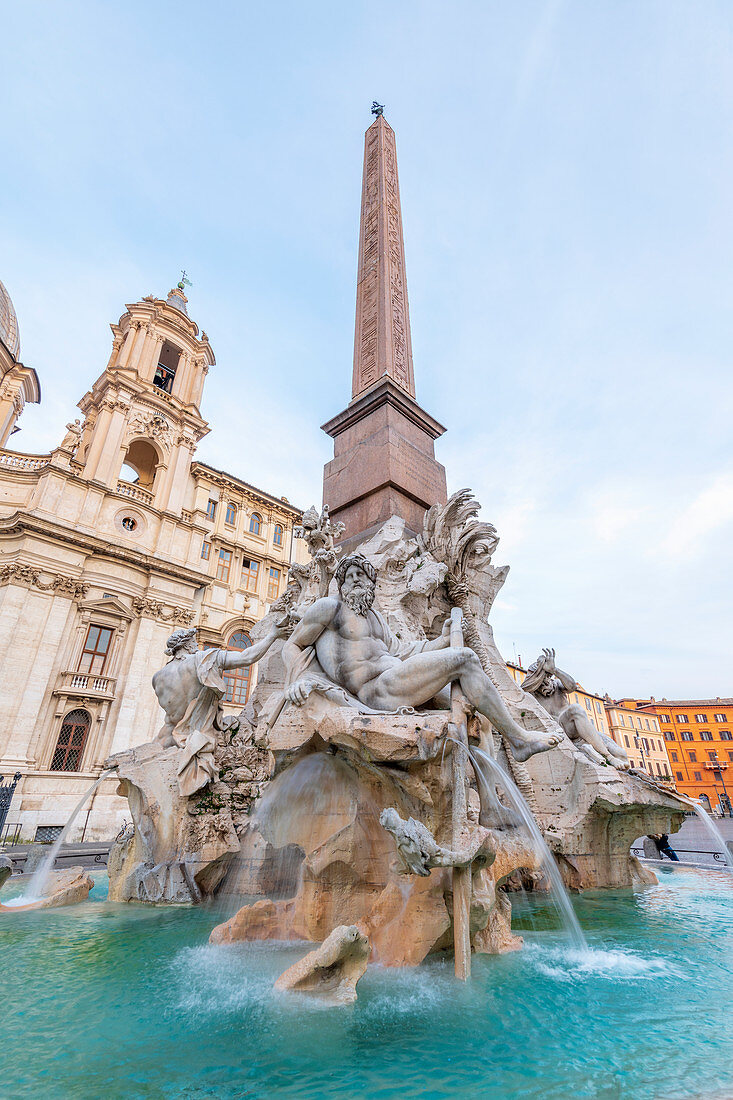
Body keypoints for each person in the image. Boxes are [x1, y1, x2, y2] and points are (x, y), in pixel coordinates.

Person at [281, 553, 561, 762]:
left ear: (371, 582)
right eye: (348, 576)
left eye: (360, 575)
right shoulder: (330, 609)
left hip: (397, 680)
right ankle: (519, 739)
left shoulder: (377, 619)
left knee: (482, 718)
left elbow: (404, 652)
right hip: (376, 691)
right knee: (464, 659)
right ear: (340, 585)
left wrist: (441, 640)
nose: (354, 580)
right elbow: (292, 645)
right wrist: (299, 679)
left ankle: (490, 808)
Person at [153, 623, 286, 797]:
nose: (196, 644)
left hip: (167, 738)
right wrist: (273, 634)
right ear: (186, 645)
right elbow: (246, 657)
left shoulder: (158, 676)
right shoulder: (203, 659)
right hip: (198, 736)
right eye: (193, 641)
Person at [522, 648, 630, 769]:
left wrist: (554, 670)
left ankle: (616, 761)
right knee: (575, 709)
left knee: (622, 753)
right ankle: (609, 757)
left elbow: (572, 686)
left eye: (548, 676)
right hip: (562, 729)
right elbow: (523, 690)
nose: (547, 680)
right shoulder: (531, 695)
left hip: (579, 730)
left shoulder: (557, 684)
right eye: (544, 676)